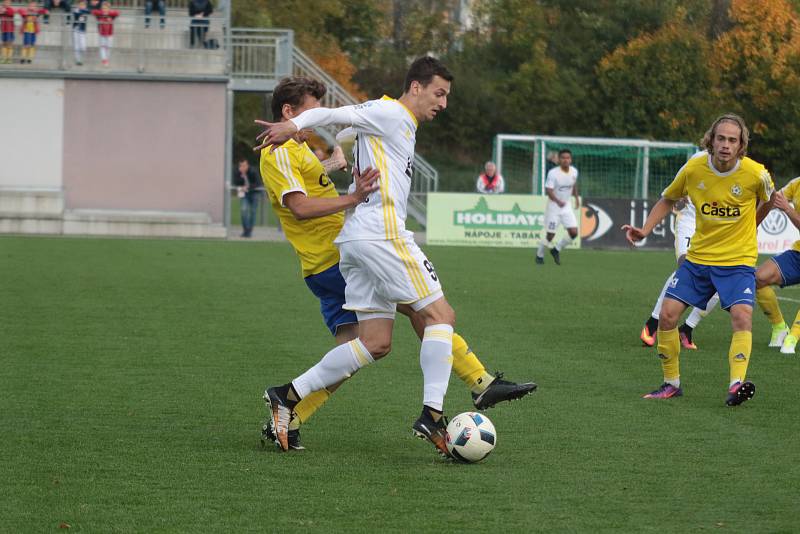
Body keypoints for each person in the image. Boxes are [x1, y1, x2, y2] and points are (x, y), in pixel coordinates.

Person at [255, 59, 536, 457]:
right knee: (438, 316)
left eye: (447, 96)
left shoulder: (392, 122)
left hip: (352, 241)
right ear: (416, 87)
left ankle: (287, 396)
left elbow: (348, 126)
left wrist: (341, 151)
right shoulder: (390, 111)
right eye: (438, 93)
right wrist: (295, 127)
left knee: (374, 342)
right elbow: (336, 115)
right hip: (379, 236)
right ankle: (439, 411)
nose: (443, 103)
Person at [623, 113, 776, 406]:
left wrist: (752, 222)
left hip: (737, 261)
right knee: (667, 314)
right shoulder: (693, 169)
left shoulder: (755, 173)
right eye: (721, 138)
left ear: (741, 144)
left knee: (742, 315)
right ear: (711, 140)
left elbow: (769, 198)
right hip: (700, 259)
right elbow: (668, 198)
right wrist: (644, 229)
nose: (726, 145)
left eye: (733, 140)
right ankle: (671, 384)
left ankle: (736, 385)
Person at [639, 197, 719, 350]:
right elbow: (669, 195)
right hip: (691, 220)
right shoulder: (689, 171)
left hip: (717, 228)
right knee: (686, 269)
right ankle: (653, 323)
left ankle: (687, 329)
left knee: (720, 278)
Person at [753, 177, 800, 353]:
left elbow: (784, 206)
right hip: (798, 253)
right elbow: (772, 199)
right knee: (758, 278)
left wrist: (787, 209)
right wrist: (753, 219)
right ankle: (780, 327)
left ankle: (793, 337)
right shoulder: (796, 184)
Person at [536, 148, 579, 265]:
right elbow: (548, 190)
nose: (566, 160)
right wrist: (558, 201)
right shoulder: (553, 173)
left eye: (568, 158)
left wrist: (576, 197)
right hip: (554, 207)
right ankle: (539, 255)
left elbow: (574, 185)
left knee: (574, 232)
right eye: (563, 158)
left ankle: (556, 250)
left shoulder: (574, 171)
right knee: (550, 235)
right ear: (559, 160)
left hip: (566, 207)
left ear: (571, 160)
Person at [232, 158, 263, 238]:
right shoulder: (238, 172)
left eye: (244, 165)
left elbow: (258, 183)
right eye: (241, 166)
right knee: (243, 210)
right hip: (244, 194)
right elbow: (235, 182)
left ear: (247, 165)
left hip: (254, 193)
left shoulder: (253, 171)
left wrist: (248, 187)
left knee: (253, 212)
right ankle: (246, 231)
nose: (243, 167)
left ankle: (249, 231)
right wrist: (242, 176)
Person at [92, 2, 118, 67]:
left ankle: (107, 59)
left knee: (109, 47)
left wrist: (108, 13)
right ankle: (104, 59)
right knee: (102, 47)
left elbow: (117, 13)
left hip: (110, 34)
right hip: (102, 34)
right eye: (103, 8)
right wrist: (103, 13)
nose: (104, 9)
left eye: (106, 8)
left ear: (109, 8)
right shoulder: (100, 15)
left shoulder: (111, 15)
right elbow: (93, 12)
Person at [71, 0, 89, 65]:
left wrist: (83, 11)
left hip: (82, 30)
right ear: (78, 5)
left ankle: (82, 57)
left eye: (83, 5)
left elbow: (89, 11)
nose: (82, 6)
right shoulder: (76, 10)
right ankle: (78, 60)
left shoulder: (86, 10)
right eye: (81, 5)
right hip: (75, 29)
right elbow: (76, 13)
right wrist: (82, 11)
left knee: (83, 46)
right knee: (76, 46)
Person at [1, 0, 16, 64]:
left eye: (8, 3)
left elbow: (11, 13)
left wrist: (5, 10)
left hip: (10, 30)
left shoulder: (11, 9)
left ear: (10, 4)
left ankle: (9, 58)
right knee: (4, 43)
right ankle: (3, 58)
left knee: (9, 43)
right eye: (5, 2)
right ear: (3, 3)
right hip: (3, 29)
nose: (6, 4)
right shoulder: (1, 9)